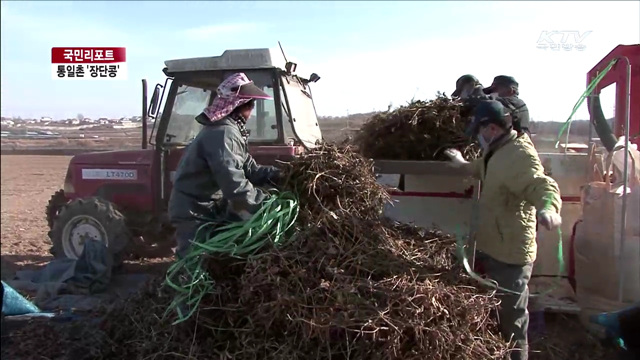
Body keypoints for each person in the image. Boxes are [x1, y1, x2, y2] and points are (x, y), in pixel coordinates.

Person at [443, 100, 562, 360]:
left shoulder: (520, 155)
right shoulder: (498, 150)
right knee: (494, 317)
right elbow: (484, 169)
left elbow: (542, 185)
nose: (477, 137)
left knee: (512, 322)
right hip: (492, 246)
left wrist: (548, 208)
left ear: (493, 129)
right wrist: (462, 163)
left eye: (479, 131)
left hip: (510, 256)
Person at [168, 72, 281, 258]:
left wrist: (280, 174)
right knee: (193, 261)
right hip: (194, 211)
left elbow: (249, 169)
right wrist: (267, 204)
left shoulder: (231, 131)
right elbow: (233, 184)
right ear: (240, 105)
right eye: (251, 104)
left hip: (208, 208)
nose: (252, 110)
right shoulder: (223, 133)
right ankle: (182, 285)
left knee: (215, 257)